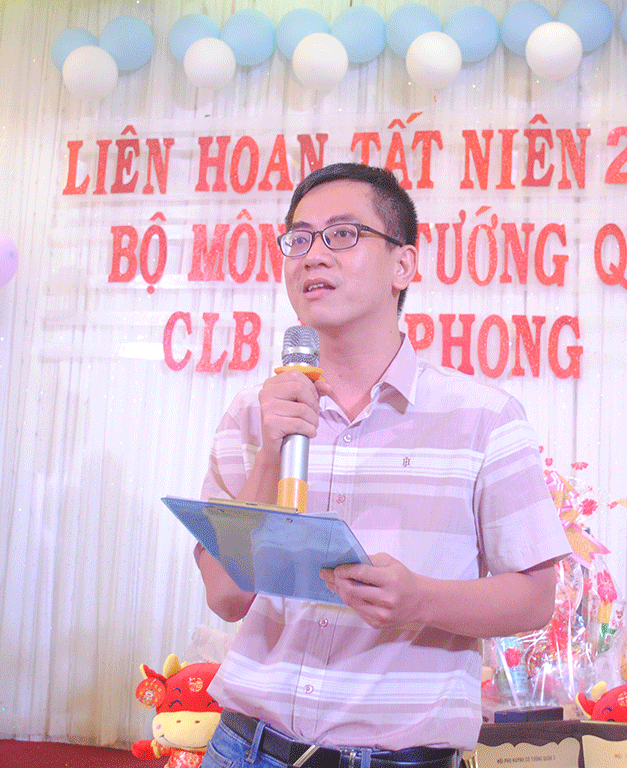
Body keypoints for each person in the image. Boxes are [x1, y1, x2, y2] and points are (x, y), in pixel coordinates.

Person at [193, 163, 571, 767]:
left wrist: (421, 600)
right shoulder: (255, 412)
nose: (314, 256)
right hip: (246, 748)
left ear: (404, 264)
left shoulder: (484, 416)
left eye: (343, 234)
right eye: (299, 238)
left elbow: (534, 599)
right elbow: (226, 595)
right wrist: (271, 453)